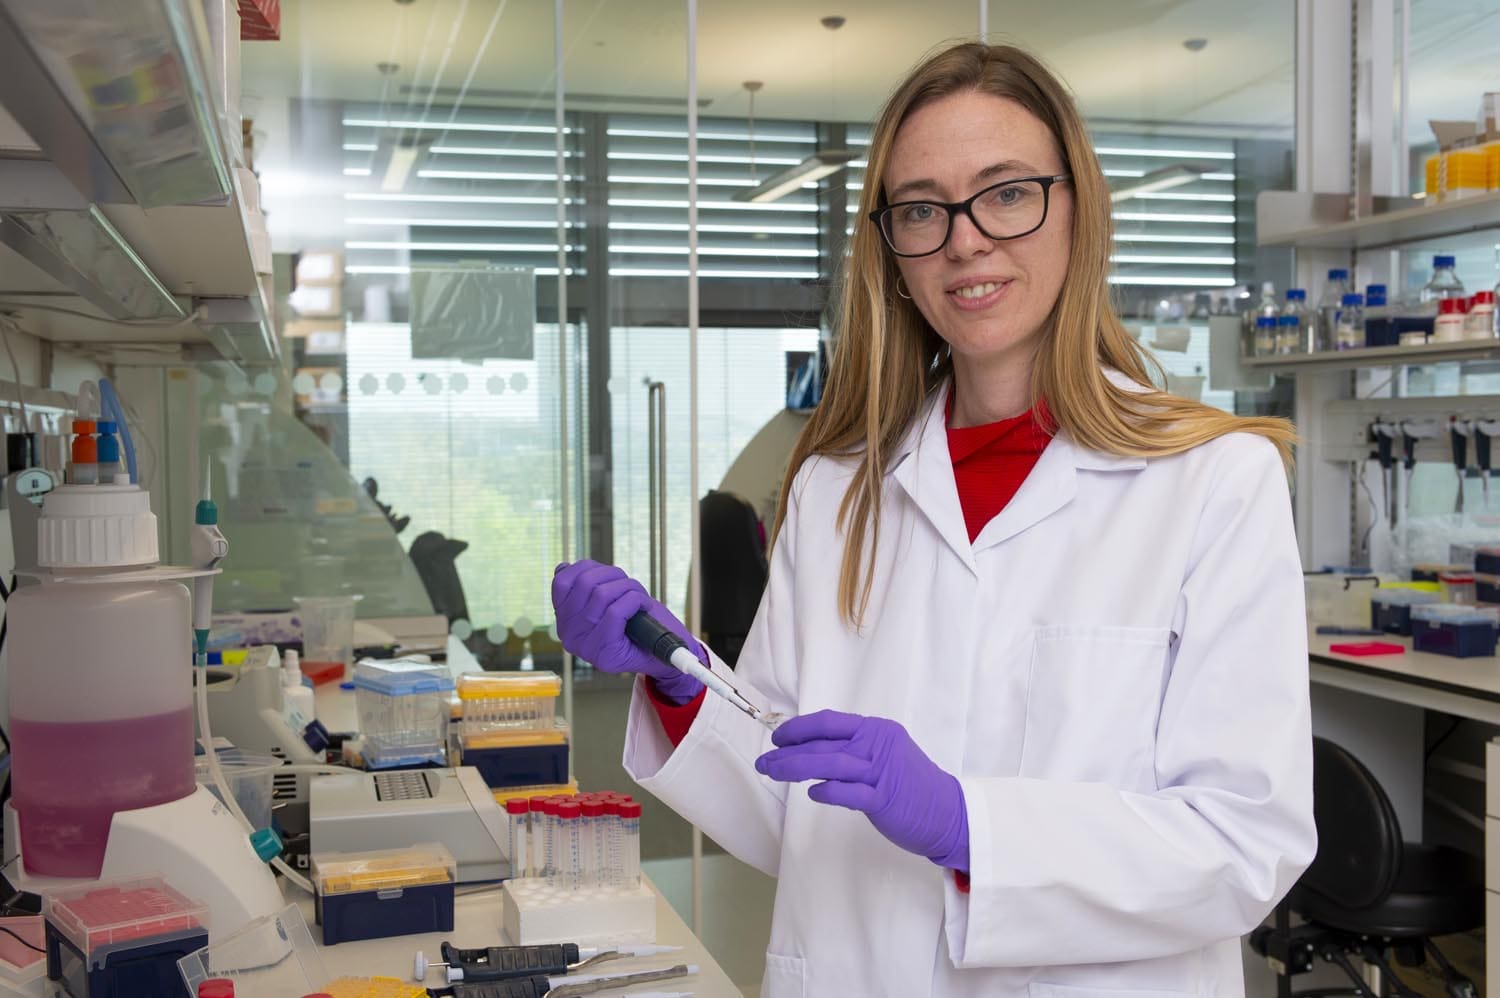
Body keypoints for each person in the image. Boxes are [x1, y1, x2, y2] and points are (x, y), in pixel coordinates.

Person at [553, 41, 1314, 997]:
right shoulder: (836, 489)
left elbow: (1245, 844)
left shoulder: (1212, 482)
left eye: (1006, 193)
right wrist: (679, 685)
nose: (964, 240)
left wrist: (970, 826)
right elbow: (788, 807)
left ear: (1077, 207)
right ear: (893, 250)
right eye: (921, 208)